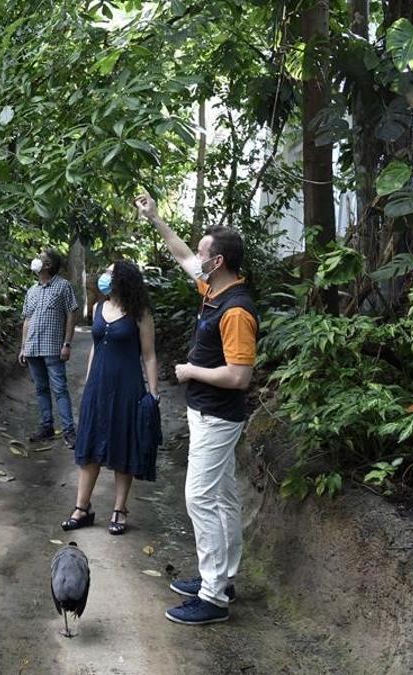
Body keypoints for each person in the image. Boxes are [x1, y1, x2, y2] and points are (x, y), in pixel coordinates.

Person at [135, 193, 259, 627]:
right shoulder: (213, 289)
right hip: (208, 413)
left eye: (205, 253)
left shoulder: (237, 310)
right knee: (222, 498)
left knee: (201, 498)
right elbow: (183, 255)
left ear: (220, 260)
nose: (198, 258)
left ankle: (212, 598)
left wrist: (190, 370)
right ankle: (220, 580)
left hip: (218, 417)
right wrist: (155, 219)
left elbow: (239, 376)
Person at [63, 260, 161, 535]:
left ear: (123, 279)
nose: (104, 276)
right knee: (90, 444)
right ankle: (82, 508)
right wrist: (88, 383)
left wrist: (153, 395)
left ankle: (120, 508)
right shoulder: (97, 308)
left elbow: (150, 355)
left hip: (128, 388)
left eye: (109, 272)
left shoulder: (140, 313)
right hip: (98, 386)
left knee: (123, 446)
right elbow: (95, 348)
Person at [18, 249, 80, 448]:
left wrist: (67, 343)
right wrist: (23, 347)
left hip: (53, 348)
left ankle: (69, 431)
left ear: (49, 265)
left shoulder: (63, 287)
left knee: (60, 389)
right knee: (41, 389)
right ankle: (46, 427)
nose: (36, 260)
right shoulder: (32, 290)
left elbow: (71, 314)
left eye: (42, 258)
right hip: (33, 348)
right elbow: (27, 319)